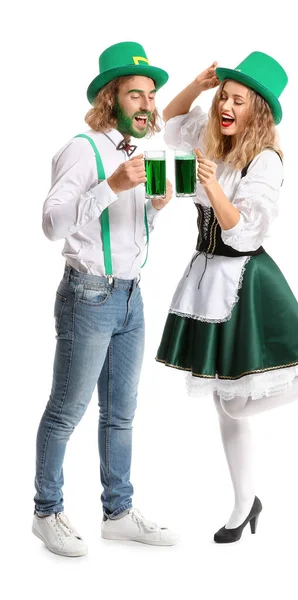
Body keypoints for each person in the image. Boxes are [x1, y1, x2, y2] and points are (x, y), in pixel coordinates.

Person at [156, 52, 298, 543]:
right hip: (206, 276)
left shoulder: (265, 161)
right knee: (224, 401)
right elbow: (169, 122)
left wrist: (212, 186)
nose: (226, 107)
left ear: (258, 109)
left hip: (242, 282)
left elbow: (247, 233)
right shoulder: (211, 137)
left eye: (238, 100)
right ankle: (243, 503)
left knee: (235, 405)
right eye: (224, 98)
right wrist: (197, 84)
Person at [33, 41, 179, 557]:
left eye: (152, 94)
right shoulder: (83, 148)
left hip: (131, 298)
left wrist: (154, 207)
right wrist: (111, 185)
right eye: (136, 94)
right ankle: (46, 511)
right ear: (110, 99)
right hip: (88, 297)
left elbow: (123, 230)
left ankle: (118, 513)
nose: (147, 104)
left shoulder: (133, 153)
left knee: (121, 414)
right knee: (66, 411)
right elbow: (52, 224)